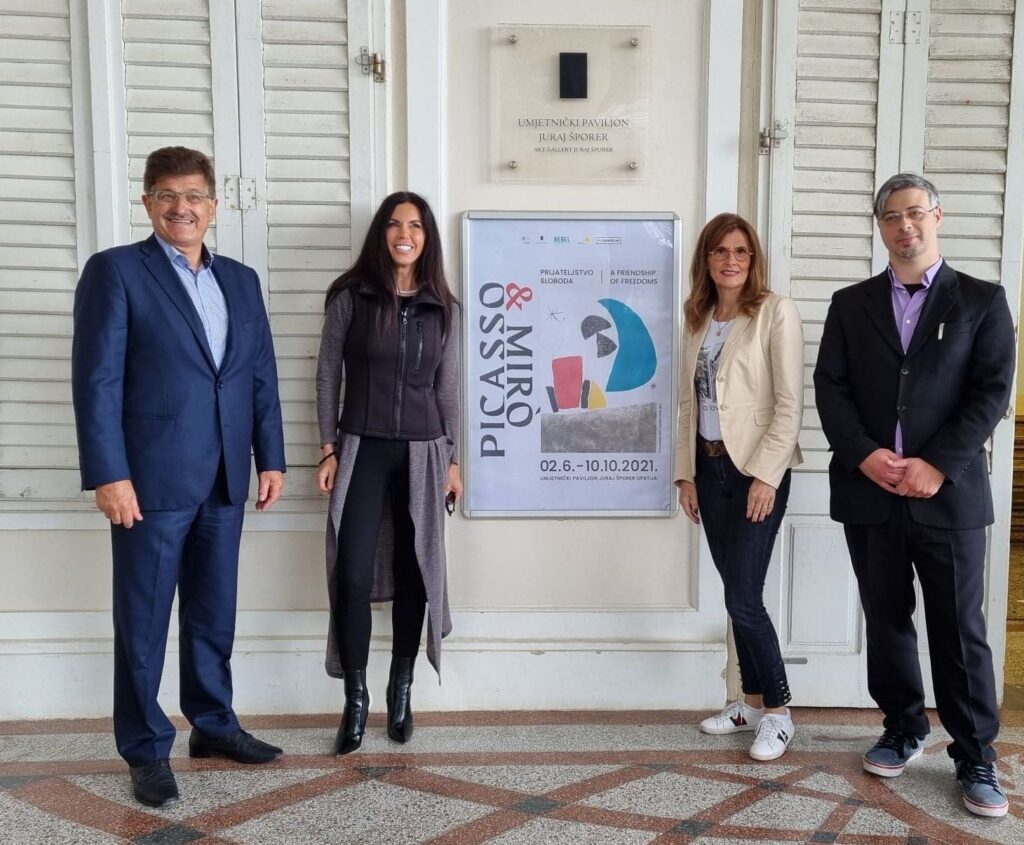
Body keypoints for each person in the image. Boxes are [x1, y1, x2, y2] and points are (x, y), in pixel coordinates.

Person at [71, 147, 287, 808]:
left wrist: (271, 457)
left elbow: (259, 376)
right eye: (167, 194)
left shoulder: (241, 281)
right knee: (142, 624)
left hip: (224, 476)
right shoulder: (115, 272)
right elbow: (97, 381)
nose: (181, 207)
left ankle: (213, 724)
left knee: (213, 613)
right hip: (149, 481)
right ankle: (145, 748)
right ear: (148, 202)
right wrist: (109, 473)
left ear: (213, 205)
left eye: (194, 195)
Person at [813, 173, 1015, 818]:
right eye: (892, 216)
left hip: (947, 496)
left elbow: (991, 392)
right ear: (880, 227)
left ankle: (975, 754)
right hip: (870, 492)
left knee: (959, 628)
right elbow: (830, 387)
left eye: (916, 213)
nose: (905, 226)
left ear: (937, 216)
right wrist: (864, 454)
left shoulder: (982, 300)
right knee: (887, 618)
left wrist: (937, 464)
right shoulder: (850, 304)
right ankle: (902, 727)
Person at [315, 191, 461, 755]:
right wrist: (328, 449)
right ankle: (355, 701)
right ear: (382, 234)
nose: (405, 234)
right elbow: (328, 375)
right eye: (395, 225)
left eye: (416, 226)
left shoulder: (443, 307)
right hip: (361, 448)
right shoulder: (350, 298)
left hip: (424, 453)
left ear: (427, 238)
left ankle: (402, 692)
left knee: (415, 571)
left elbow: (448, 388)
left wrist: (453, 461)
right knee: (351, 574)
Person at [675, 213, 804, 761]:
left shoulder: (775, 311)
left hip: (756, 471)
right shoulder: (697, 318)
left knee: (744, 598)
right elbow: (688, 404)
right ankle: (749, 703)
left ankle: (778, 712)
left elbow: (789, 404)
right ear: (706, 259)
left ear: (753, 259)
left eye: (741, 251)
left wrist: (767, 476)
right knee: (735, 592)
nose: (731, 260)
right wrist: (685, 474)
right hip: (709, 472)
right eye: (720, 251)